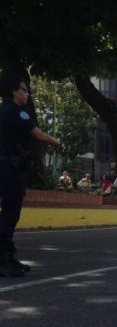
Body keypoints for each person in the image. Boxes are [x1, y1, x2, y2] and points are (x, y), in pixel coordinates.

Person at [0, 73, 61, 277]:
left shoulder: (4, 111)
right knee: (10, 215)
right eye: (23, 89)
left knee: (8, 214)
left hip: (5, 168)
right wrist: (56, 141)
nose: (27, 94)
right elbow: (38, 134)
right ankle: (3, 261)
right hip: (11, 170)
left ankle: (8, 258)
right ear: (13, 92)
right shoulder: (18, 112)